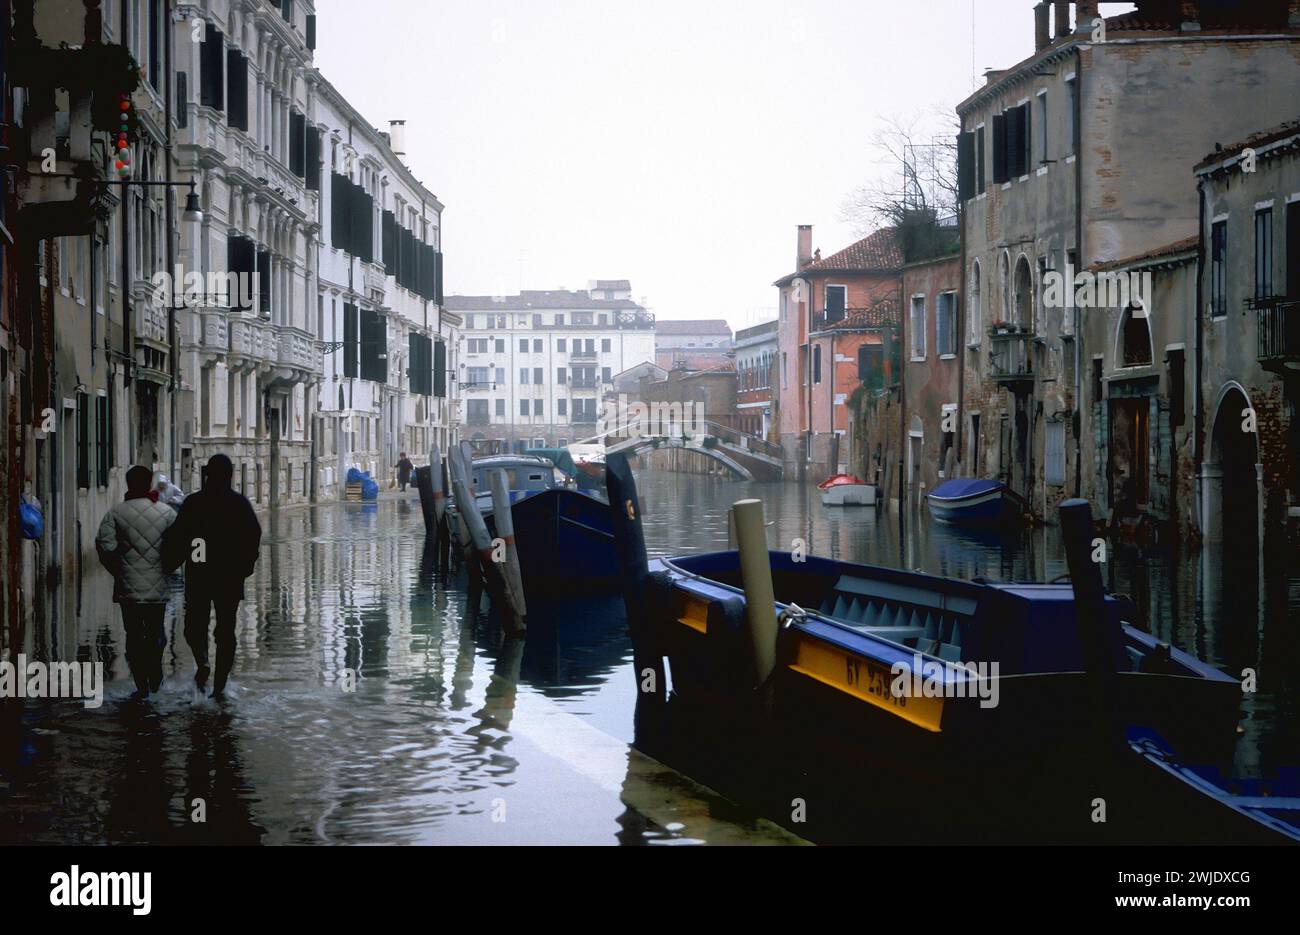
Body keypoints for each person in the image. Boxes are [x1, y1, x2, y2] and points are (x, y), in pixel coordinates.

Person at [163, 454, 261, 700]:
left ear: (207, 475)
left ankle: (203, 662)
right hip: (229, 577)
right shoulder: (239, 504)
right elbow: (253, 537)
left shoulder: (194, 503)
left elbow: (179, 536)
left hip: (199, 574)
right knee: (226, 631)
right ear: (230, 476)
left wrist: (170, 563)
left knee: (194, 626)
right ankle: (219, 685)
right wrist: (245, 568)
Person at [96, 465, 178, 699]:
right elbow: (179, 544)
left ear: (128, 484)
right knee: (156, 633)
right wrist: (167, 569)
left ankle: (141, 685)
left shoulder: (115, 514)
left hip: (128, 589)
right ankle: (156, 681)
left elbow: (104, 546)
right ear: (149, 484)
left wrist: (119, 571)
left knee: (133, 635)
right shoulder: (167, 513)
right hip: (157, 588)